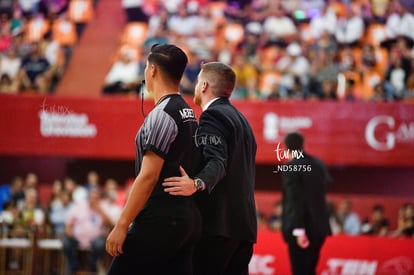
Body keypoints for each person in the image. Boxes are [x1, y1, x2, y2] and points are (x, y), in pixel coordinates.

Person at [105, 44, 202, 275]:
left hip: (159, 219)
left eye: (146, 67)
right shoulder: (188, 113)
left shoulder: (162, 115)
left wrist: (121, 225)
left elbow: (148, 176)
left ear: (153, 71)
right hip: (185, 220)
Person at [163, 61, 258, 275]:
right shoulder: (242, 121)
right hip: (243, 227)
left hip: (218, 227)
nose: (196, 87)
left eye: (197, 82)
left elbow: (217, 161)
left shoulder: (212, 116)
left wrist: (196, 183)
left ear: (204, 85)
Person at [280, 132, 332, 275]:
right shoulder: (319, 164)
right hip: (319, 229)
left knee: (300, 271)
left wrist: (299, 230)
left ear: (286, 148)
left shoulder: (291, 167)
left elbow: (295, 200)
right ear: (303, 146)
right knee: (310, 270)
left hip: (302, 231)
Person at [62, 188, 114, 274]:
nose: (93, 200)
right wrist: (69, 231)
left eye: (96, 198)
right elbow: (68, 223)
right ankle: (76, 268)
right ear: (88, 198)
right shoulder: (80, 206)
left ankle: (91, 265)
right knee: (65, 242)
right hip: (77, 238)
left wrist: (100, 211)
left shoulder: (103, 207)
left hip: (95, 239)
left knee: (100, 243)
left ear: (99, 199)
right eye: (91, 197)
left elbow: (110, 224)